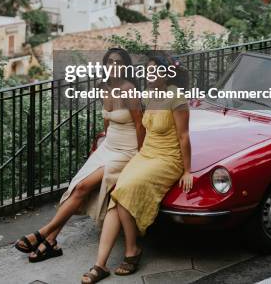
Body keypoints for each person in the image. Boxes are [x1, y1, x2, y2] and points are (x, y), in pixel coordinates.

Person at [15, 48, 145, 263]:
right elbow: (108, 120)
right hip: (109, 146)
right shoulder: (105, 88)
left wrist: (140, 157)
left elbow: (140, 125)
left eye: (119, 62)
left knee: (85, 187)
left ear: (125, 66)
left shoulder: (129, 89)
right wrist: (103, 138)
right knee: (76, 188)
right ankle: (51, 241)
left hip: (127, 151)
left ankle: (42, 233)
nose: (114, 66)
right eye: (110, 62)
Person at [81, 54, 193, 283]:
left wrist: (187, 170)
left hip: (167, 159)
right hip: (147, 154)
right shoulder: (149, 95)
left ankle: (132, 250)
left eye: (156, 70)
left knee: (125, 190)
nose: (150, 74)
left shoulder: (176, 98)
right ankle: (99, 265)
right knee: (117, 193)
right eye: (148, 70)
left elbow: (183, 137)